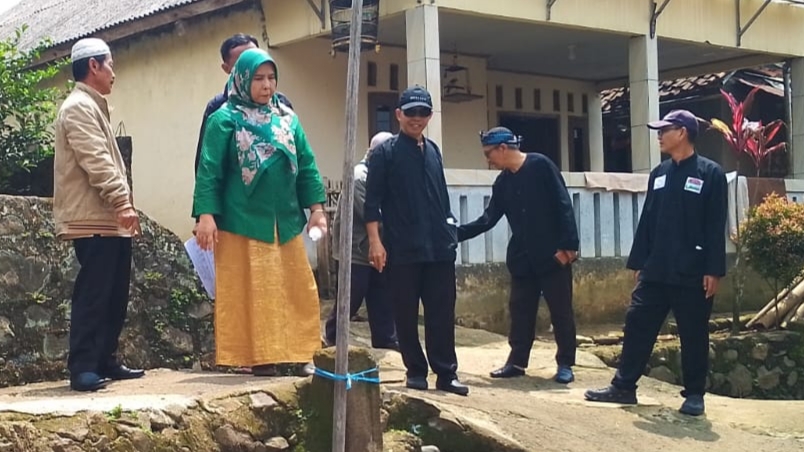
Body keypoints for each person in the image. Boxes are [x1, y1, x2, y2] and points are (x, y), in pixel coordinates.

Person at [193, 48, 327, 377]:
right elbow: (209, 170)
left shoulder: (287, 119)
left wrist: (316, 209)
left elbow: (307, 165)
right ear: (241, 79)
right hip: (242, 220)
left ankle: (302, 353)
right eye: (258, 79)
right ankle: (258, 357)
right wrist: (206, 215)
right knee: (252, 291)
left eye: (271, 78)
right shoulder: (223, 119)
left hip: (286, 221)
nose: (267, 85)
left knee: (297, 288)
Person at [584, 110, 727, 416]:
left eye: (665, 130)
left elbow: (716, 225)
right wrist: (639, 261)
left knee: (693, 333)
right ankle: (623, 386)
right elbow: (647, 219)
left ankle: (694, 395)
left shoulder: (710, 173)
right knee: (637, 323)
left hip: (692, 271)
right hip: (656, 268)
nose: (659, 136)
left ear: (683, 132)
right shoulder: (659, 173)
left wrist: (714, 269)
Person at [364, 86, 469, 396]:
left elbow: (442, 197)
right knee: (405, 312)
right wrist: (375, 242)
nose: (417, 118)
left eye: (423, 113)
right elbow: (372, 202)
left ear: (430, 116)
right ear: (399, 114)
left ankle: (446, 373)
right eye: (411, 112)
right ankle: (415, 370)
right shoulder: (385, 153)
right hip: (402, 247)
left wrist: (450, 229)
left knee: (442, 313)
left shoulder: (433, 150)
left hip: (438, 248)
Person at [53, 38, 144, 392]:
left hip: (107, 218)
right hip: (93, 217)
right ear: (94, 66)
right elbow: (97, 160)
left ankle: (105, 358)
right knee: (94, 292)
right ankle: (82, 367)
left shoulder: (92, 106)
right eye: (110, 64)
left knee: (114, 292)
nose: (113, 73)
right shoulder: (78, 107)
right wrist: (122, 201)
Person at [458, 127, 580, 384]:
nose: (488, 161)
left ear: (503, 148)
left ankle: (565, 363)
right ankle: (516, 361)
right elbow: (489, 219)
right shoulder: (502, 183)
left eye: (489, 154)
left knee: (561, 311)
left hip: (552, 254)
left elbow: (563, 205)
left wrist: (569, 246)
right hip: (522, 258)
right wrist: (455, 234)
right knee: (520, 310)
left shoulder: (541, 166)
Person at [193, 34, 293, 221]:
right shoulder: (219, 110)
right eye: (242, 61)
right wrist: (205, 215)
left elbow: (298, 157)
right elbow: (205, 166)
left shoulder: (281, 107)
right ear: (227, 69)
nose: (251, 65)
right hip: (234, 212)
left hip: (276, 211)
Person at [325, 132, 398, 351]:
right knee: (351, 296)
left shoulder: (384, 174)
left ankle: (385, 338)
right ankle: (333, 337)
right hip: (355, 248)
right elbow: (370, 213)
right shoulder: (359, 177)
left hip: (378, 247)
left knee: (382, 293)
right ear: (373, 152)